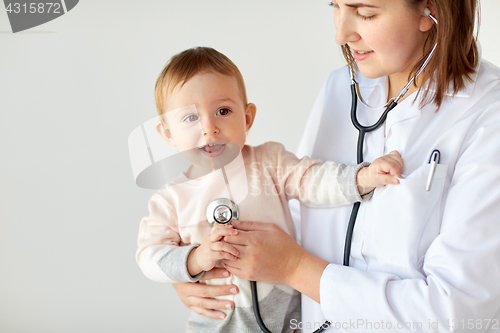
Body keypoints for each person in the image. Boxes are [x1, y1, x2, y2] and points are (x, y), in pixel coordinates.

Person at [173, 1, 500, 332]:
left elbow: (455, 314)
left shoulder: (488, 115)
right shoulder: (340, 88)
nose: (340, 34)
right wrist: (194, 267)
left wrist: (294, 268)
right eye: (336, 6)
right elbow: (295, 214)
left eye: (365, 12)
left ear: (430, 10)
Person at [136, 47, 405, 333]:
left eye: (223, 111)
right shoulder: (170, 199)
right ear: (167, 133)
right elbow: (149, 255)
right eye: (190, 118)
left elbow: (313, 179)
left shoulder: (269, 161)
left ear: (248, 118)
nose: (209, 127)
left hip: (289, 324)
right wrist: (195, 259)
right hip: (215, 326)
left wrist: (363, 177)